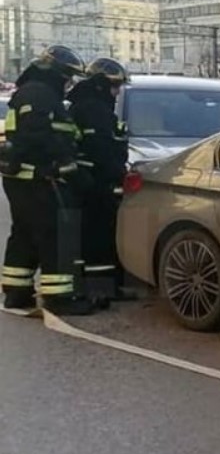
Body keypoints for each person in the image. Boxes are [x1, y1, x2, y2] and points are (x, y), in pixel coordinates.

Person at [0, 46, 97, 317]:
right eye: (67, 77)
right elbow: (38, 134)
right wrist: (63, 161)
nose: (69, 84)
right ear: (55, 73)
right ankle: (59, 298)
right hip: (39, 177)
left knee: (25, 234)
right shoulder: (38, 94)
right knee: (54, 234)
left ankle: (16, 292)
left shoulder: (34, 92)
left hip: (26, 178)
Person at [68, 58, 133, 305]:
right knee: (98, 240)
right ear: (100, 84)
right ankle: (100, 291)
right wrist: (118, 172)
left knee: (91, 239)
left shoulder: (83, 105)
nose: (116, 92)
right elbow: (101, 148)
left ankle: (97, 289)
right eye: (114, 86)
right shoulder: (94, 109)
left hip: (87, 181)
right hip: (95, 183)